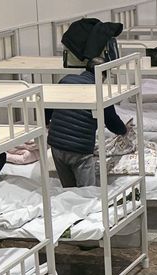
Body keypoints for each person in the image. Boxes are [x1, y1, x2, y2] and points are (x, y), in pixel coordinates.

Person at [46, 57, 128, 187]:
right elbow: (112, 121)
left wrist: (48, 123)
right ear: (104, 74)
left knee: (69, 191)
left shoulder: (66, 80)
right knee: (88, 192)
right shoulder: (100, 91)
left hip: (56, 144)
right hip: (80, 148)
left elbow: (48, 106)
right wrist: (124, 130)